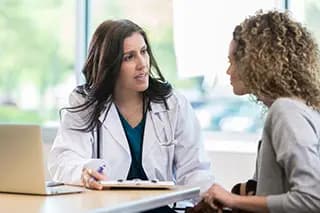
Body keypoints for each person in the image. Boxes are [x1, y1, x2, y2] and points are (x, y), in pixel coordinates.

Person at [48, 19, 214, 207]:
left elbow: (195, 170)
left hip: (160, 209)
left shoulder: (172, 104)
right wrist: (83, 171)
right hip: (108, 208)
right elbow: (64, 159)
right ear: (109, 64)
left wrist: (205, 198)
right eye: (129, 57)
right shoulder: (85, 103)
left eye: (143, 52)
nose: (142, 64)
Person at [202, 10, 320, 213]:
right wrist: (240, 195)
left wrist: (233, 200)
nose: (228, 71)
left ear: (256, 63)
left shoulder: (286, 111)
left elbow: (311, 200)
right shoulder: (299, 108)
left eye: (232, 62)